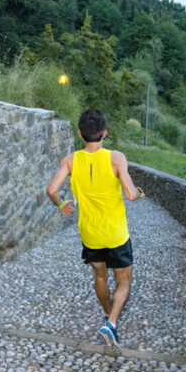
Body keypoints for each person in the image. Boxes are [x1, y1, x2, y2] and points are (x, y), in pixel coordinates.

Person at [46, 109, 144, 356]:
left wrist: (61, 205)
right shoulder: (116, 158)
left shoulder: (70, 161)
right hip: (115, 234)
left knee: (100, 277)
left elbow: (51, 190)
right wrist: (140, 192)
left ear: (80, 134)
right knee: (124, 281)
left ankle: (107, 315)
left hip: (90, 235)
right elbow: (131, 194)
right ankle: (111, 324)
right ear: (104, 133)